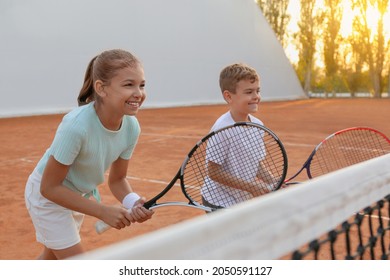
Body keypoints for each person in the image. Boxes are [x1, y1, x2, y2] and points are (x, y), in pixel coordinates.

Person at [24, 49, 154, 260]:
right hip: (47, 198)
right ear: (101, 88)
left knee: (51, 258)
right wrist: (102, 211)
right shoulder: (76, 126)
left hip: (76, 197)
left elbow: (118, 179)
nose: (138, 92)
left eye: (142, 84)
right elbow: (49, 187)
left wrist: (133, 202)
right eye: (128, 84)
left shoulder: (131, 126)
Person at [201, 63, 280, 209]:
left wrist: (273, 181)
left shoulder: (257, 125)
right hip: (218, 201)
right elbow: (213, 172)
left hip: (240, 200)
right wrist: (251, 187)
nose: (256, 96)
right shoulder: (222, 128)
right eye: (249, 92)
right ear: (229, 96)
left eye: (258, 91)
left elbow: (255, 164)